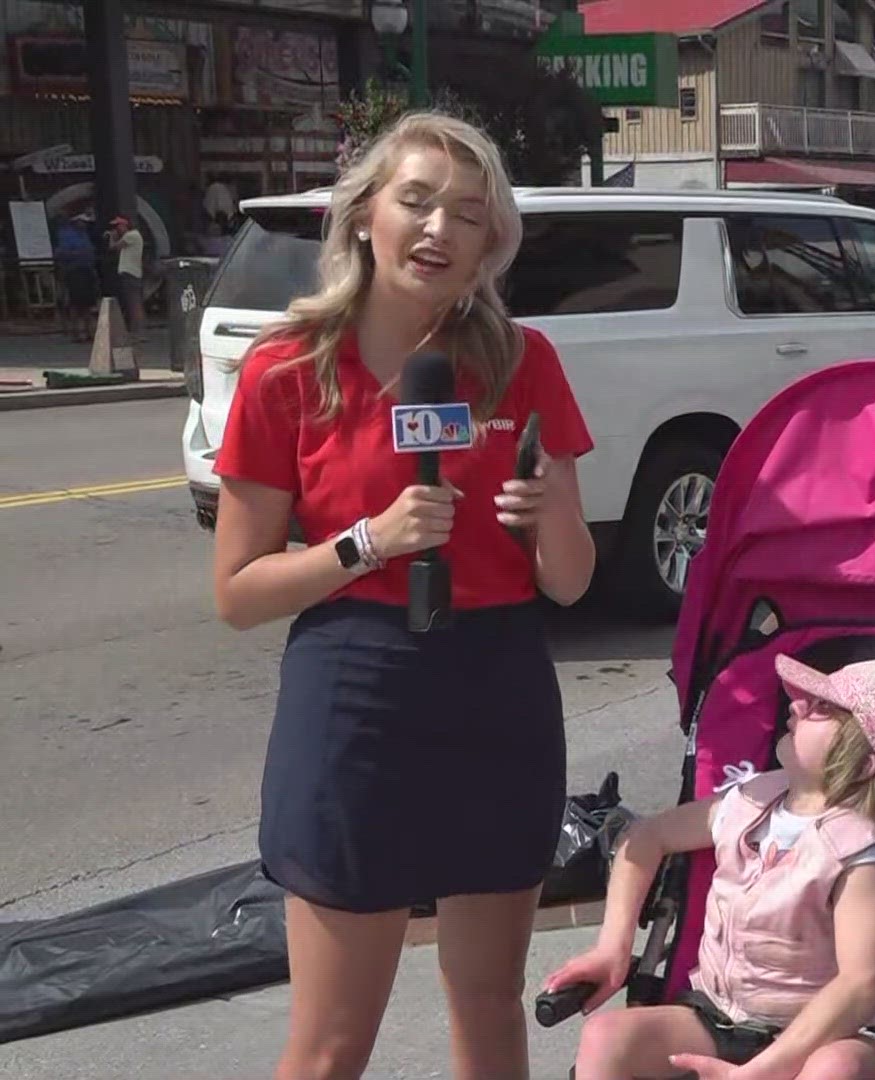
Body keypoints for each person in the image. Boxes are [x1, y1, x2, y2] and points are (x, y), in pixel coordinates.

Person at [211, 111, 597, 1080]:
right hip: (355, 696)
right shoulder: (284, 371)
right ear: (365, 216)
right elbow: (239, 593)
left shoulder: (525, 362)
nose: (438, 230)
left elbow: (571, 577)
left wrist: (552, 509)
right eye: (416, 202)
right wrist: (365, 542)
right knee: (333, 1041)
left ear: (489, 243)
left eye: (467, 214)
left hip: (495, 690)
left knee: (487, 1011)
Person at [545, 652, 875, 1080]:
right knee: (606, 1036)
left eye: (822, 709)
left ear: (863, 763)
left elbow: (862, 985)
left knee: (836, 1069)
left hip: (833, 1035)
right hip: (721, 1016)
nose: (795, 706)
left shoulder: (861, 855)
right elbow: (645, 839)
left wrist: (764, 1070)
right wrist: (613, 947)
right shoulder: (749, 802)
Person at [51, 213, 98, 342]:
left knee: (88, 304)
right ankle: (77, 331)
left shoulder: (84, 235)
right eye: (82, 222)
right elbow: (61, 253)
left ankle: (88, 330)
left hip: (87, 271)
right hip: (74, 272)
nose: (84, 224)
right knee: (76, 304)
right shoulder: (66, 235)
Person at [108, 214, 145, 331]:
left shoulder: (131, 236)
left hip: (130, 273)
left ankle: (138, 330)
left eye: (118, 226)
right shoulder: (133, 237)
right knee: (132, 303)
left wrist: (112, 237)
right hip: (132, 273)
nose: (117, 229)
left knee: (134, 303)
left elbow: (113, 247)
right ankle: (136, 329)